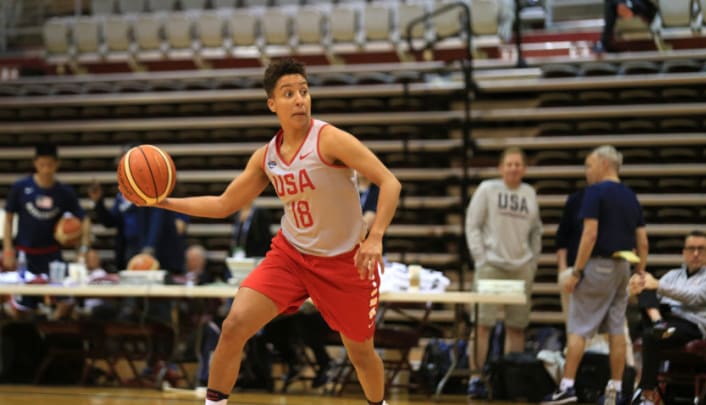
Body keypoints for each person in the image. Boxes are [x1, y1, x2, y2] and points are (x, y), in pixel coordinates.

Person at [131, 58, 401, 405]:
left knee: (361, 355)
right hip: (291, 257)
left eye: (304, 91)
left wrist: (375, 236)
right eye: (289, 93)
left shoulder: (330, 139)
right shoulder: (267, 157)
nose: (300, 99)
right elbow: (224, 203)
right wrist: (162, 202)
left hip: (344, 262)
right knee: (233, 326)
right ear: (272, 104)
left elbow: (389, 182)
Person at [542, 145, 648, 405]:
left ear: (603, 164)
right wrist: (640, 272)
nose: (587, 171)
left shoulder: (595, 192)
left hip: (598, 265)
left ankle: (566, 388)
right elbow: (643, 242)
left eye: (589, 165)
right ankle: (615, 391)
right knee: (616, 329)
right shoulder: (630, 196)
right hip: (623, 267)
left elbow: (589, 234)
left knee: (578, 328)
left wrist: (576, 271)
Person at [464, 146, 543, 399]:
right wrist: (480, 258)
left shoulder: (529, 193)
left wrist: (532, 262)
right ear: (501, 168)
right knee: (483, 325)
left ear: (524, 168)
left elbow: (536, 231)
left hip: (521, 268)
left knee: (516, 327)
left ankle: (512, 378)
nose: (513, 168)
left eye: (518, 164)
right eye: (509, 164)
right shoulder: (488, 189)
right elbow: (472, 225)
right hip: (491, 266)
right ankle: (475, 378)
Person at [627, 230, 706, 405]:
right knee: (644, 285)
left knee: (650, 334)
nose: (696, 253)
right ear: (683, 252)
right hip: (666, 319)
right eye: (691, 248)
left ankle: (646, 394)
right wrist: (633, 290)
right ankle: (657, 321)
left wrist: (657, 285)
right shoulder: (672, 275)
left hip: (691, 326)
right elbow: (646, 296)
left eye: (701, 249)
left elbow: (694, 297)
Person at [2, 144, 90, 317]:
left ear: (57, 165)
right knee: (21, 307)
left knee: (67, 300)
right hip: (25, 254)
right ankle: (31, 336)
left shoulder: (64, 192)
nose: (46, 169)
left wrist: (83, 249)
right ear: (35, 164)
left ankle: (49, 329)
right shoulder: (21, 187)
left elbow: (84, 219)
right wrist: (7, 249)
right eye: (42, 165)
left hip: (52, 255)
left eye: (50, 165)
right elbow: (9, 218)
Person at [593, 0, 658, 53]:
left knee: (612, 3)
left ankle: (604, 43)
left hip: (643, 5)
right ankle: (604, 43)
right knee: (611, 3)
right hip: (626, 4)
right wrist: (621, 3)